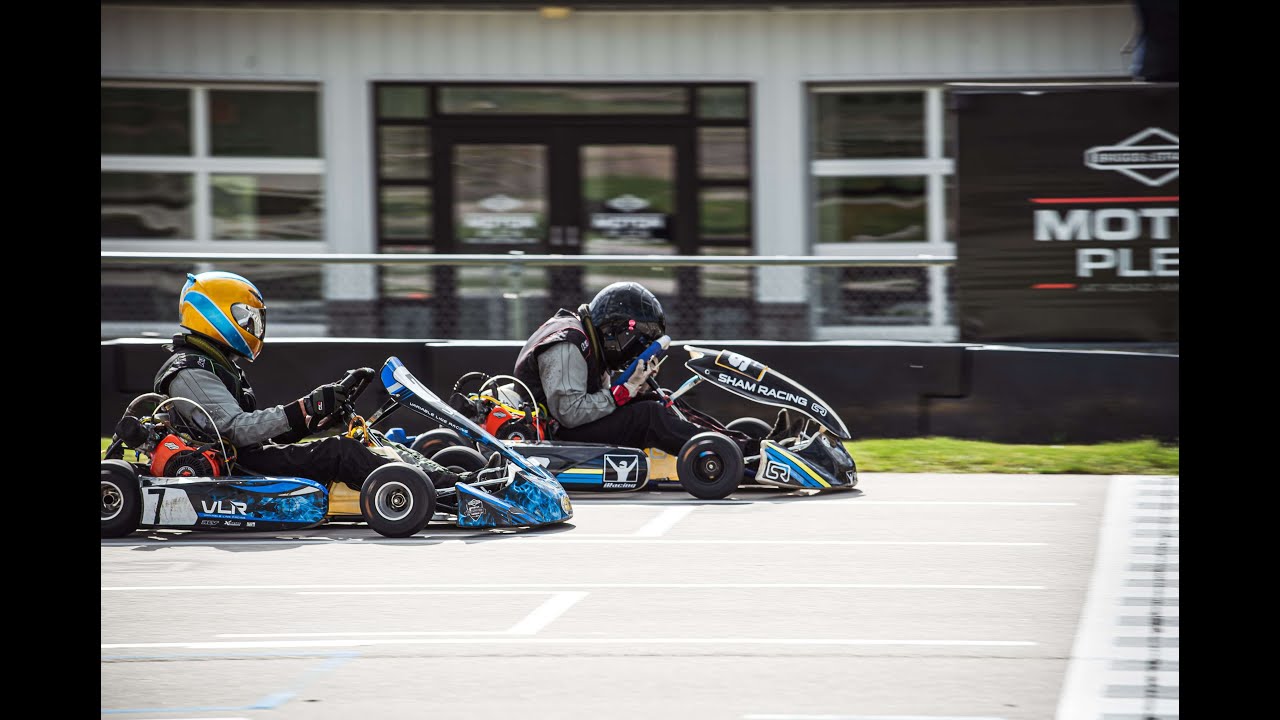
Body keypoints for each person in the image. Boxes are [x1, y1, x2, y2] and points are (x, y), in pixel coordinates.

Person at [151, 270, 471, 491]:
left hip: (250, 456)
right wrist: (305, 407)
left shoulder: (216, 363)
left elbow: (253, 435)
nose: (254, 326)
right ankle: (448, 490)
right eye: (245, 317)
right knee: (341, 452)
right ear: (213, 314)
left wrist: (313, 419)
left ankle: (452, 478)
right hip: (238, 468)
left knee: (360, 438)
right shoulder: (189, 369)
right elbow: (235, 431)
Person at [514, 281, 757, 456]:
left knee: (660, 400)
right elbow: (569, 412)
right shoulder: (570, 343)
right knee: (649, 415)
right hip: (554, 436)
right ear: (615, 330)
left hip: (568, 426)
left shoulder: (589, 341)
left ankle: (744, 444)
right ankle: (729, 454)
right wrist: (623, 392)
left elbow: (597, 402)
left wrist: (634, 390)